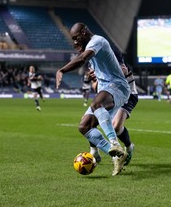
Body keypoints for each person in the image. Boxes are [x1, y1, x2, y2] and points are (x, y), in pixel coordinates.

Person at [56, 22, 130, 176]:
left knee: (96, 103)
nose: (75, 42)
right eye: (73, 39)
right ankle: (116, 155)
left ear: (84, 32)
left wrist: (62, 70)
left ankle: (114, 143)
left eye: (76, 38)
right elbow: (93, 65)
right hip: (107, 90)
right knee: (84, 126)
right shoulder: (89, 47)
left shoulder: (98, 41)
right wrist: (91, 75)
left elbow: (82, 58)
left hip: (119, 87)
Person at [88, 50, 138, 167]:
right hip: (109, 93)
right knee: (93, 116)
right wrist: (94, 79)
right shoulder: (92, 60)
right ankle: (94, 151)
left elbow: (124, 70)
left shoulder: (112, 54)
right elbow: (95, 86)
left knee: (115, 127)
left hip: (127, 93)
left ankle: (129, 147)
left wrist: (102, 73)